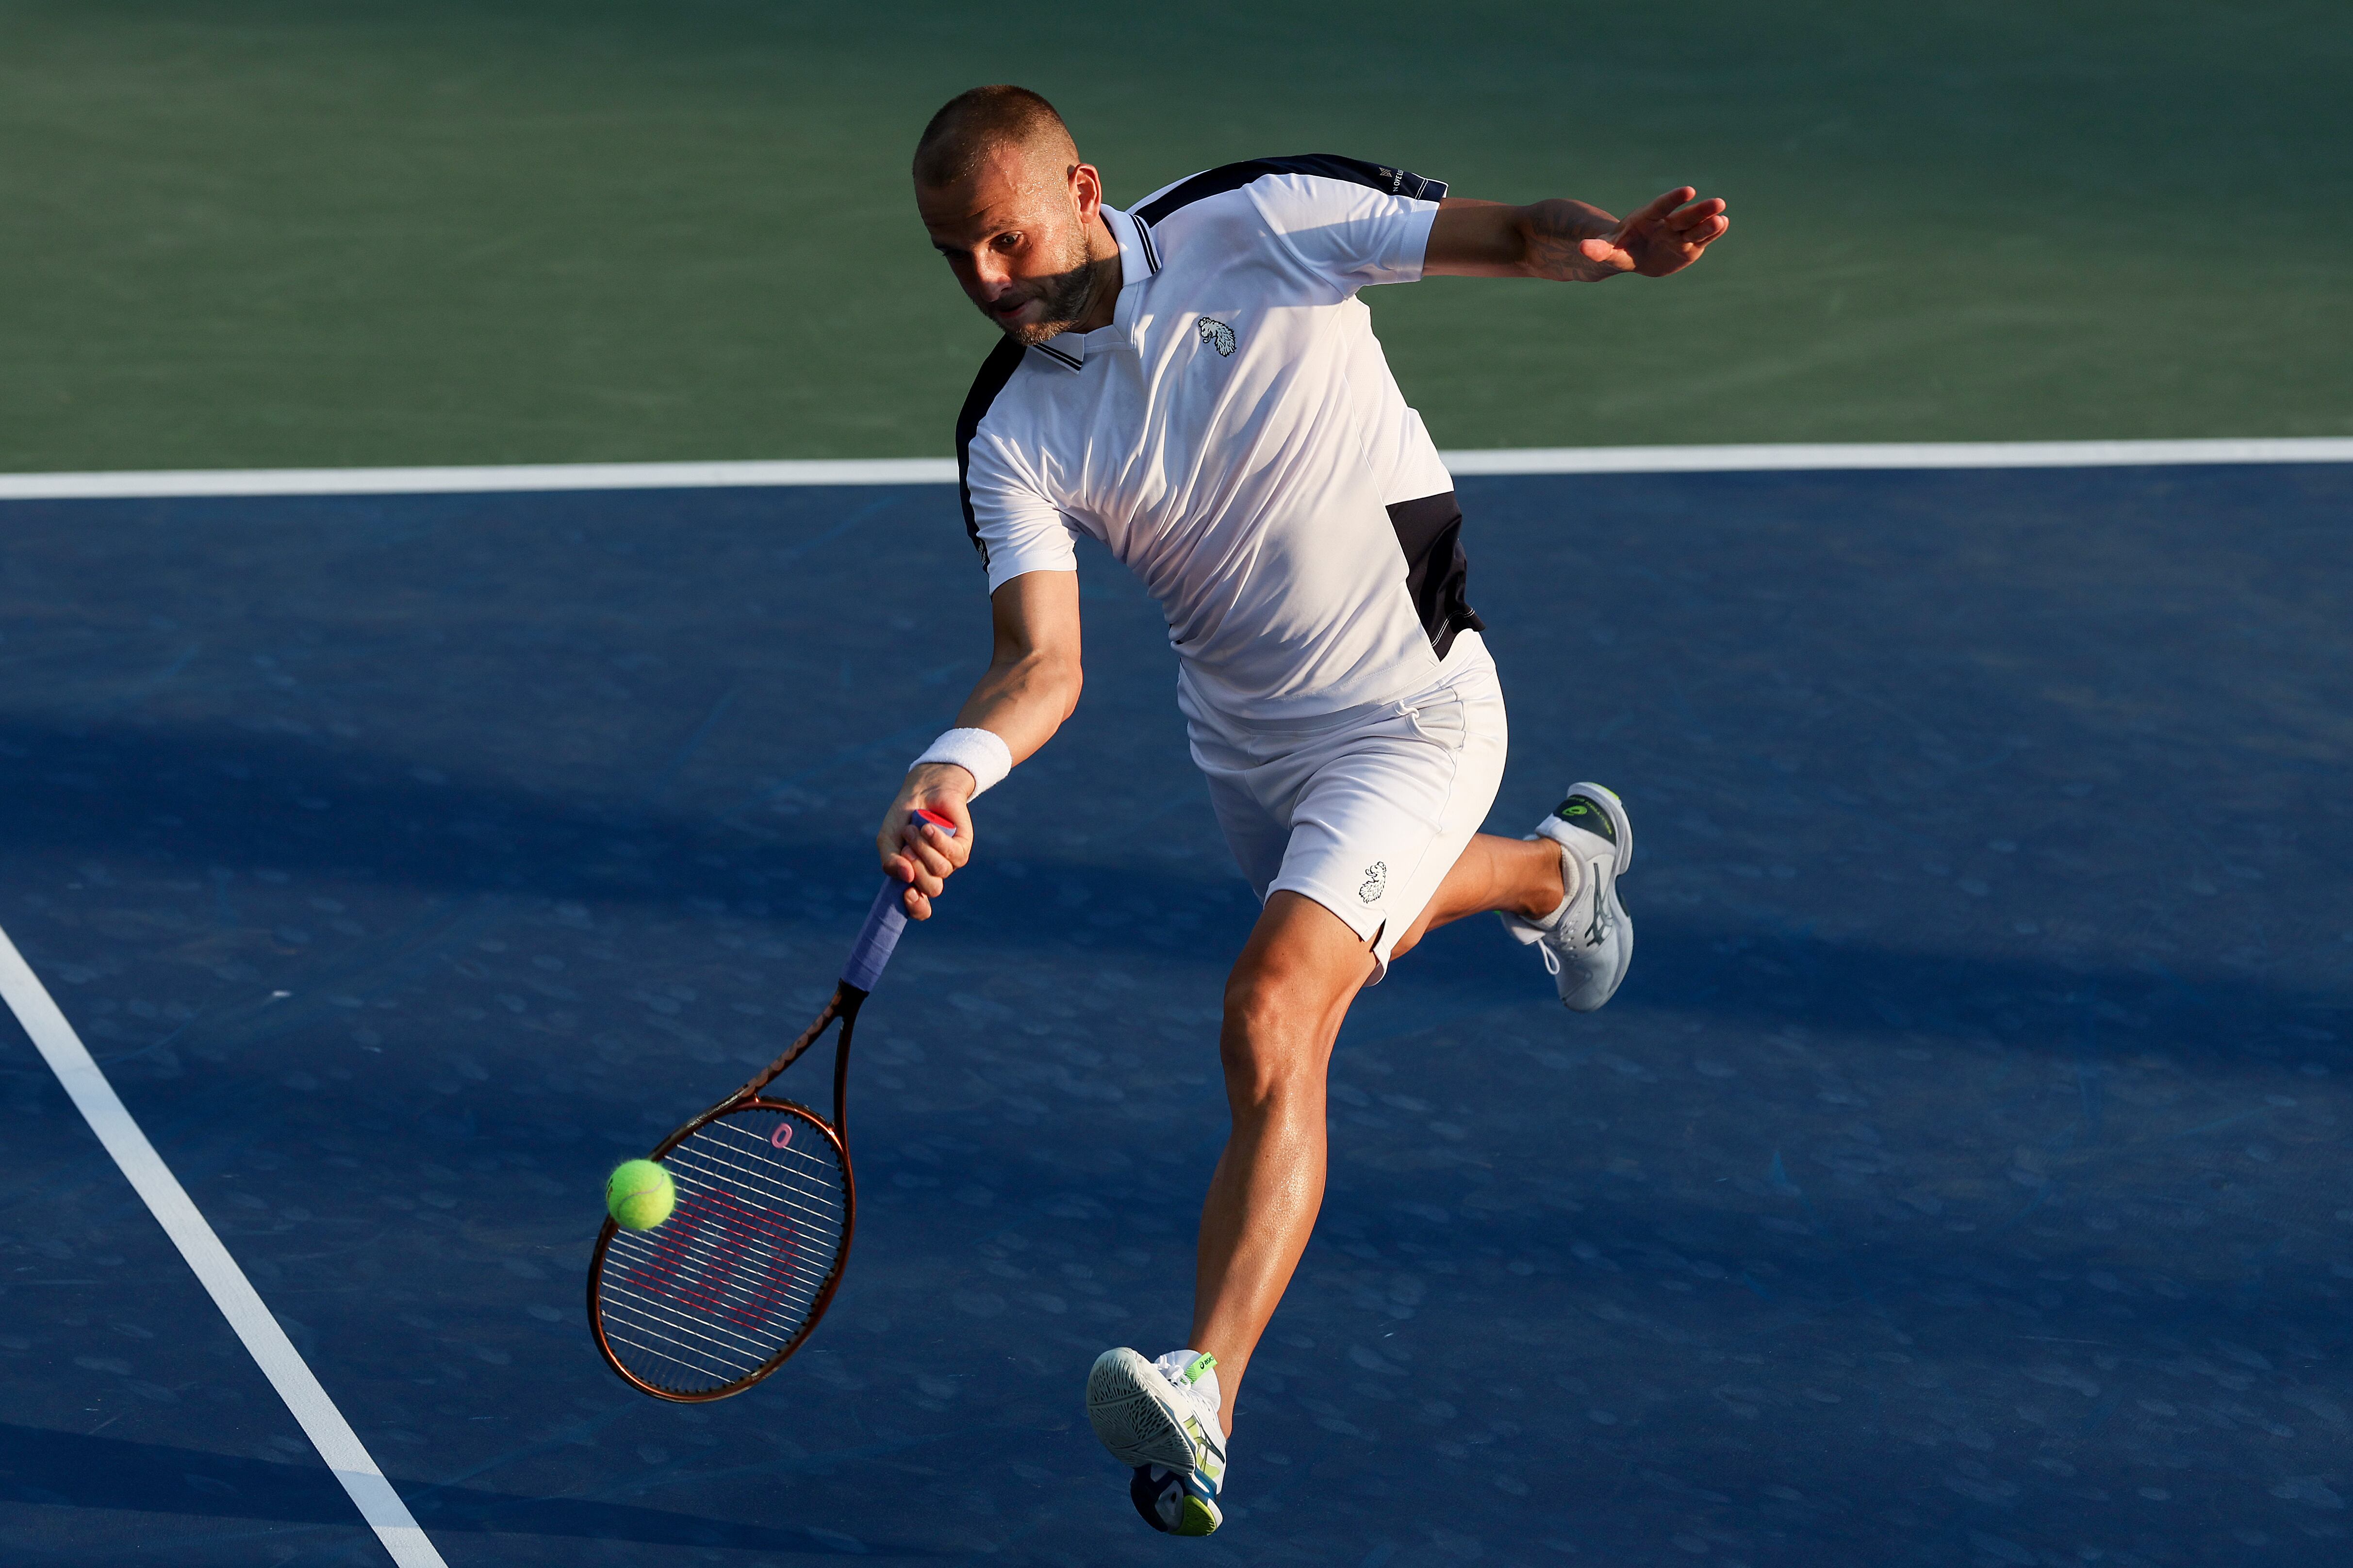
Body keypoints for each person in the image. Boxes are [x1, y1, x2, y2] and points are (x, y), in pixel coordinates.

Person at [875, 84, 1727, 1536]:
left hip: (1417, 711)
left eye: (1005, 240)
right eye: (955, 255)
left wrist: (1611, 252)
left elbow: (1514, 232)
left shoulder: (1256, 223)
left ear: (1083, 188)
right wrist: (953, 765)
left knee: (1279, 1007)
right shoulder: (1009, 430)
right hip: (1251, 757)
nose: (987, 283)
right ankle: (1551, 879)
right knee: (1346, 934)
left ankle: (1202, 1396)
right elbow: (1043, 664)